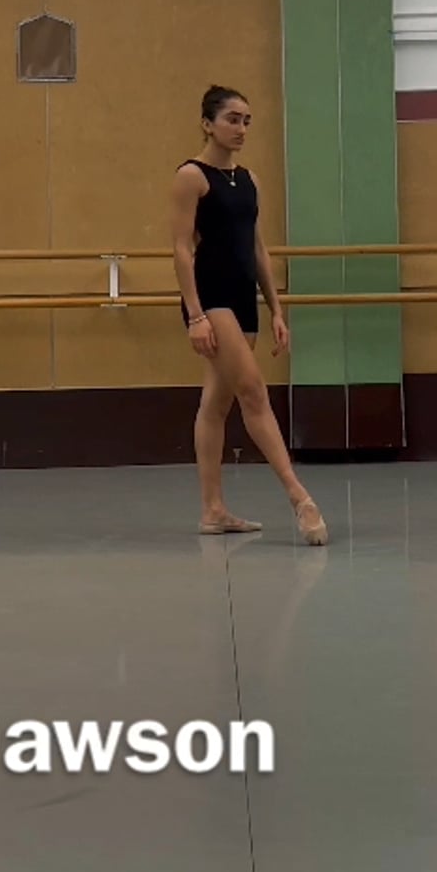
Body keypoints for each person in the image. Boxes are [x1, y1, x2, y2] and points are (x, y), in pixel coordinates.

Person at [169, 85, 329, 546]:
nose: (241, 128)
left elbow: (257, 248)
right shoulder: (191, 176)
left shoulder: (249, 179)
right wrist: (195, 315)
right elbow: (181, 249)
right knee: (253, 392)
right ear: (207, 124)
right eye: (232, 119)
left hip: (243, 298)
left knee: (216, 404)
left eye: (246, 121)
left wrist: (276, 308)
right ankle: (300, 497)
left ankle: (213, 510)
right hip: (211, 297)